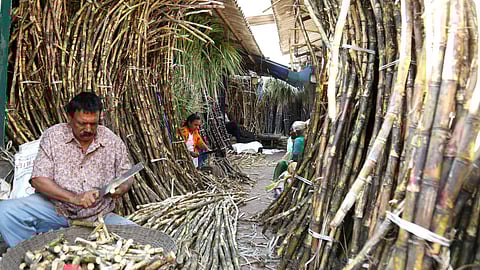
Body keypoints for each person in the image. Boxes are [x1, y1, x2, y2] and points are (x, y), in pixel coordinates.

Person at [0, 92, 136, 247]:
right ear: (70, 118)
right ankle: (30, 257)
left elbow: (127, 175)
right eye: (81, 123)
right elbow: (39, 179)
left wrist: (122, 187)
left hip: (98, 217)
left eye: (93, 124)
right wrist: (74, 198)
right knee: (6, 212)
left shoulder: (111, 141)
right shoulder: (54, 136)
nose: (88, 129)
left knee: (138, 237)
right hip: (55, 210)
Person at [270, 121, 307, 198]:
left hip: (297, 165)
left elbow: (296, 155)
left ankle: (276, 183)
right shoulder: (303, 138)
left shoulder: (298, 140)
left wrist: (292, 161)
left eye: (291, 130)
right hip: (302, 163)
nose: (290, 133)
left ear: (296, 132)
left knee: (281, 163)